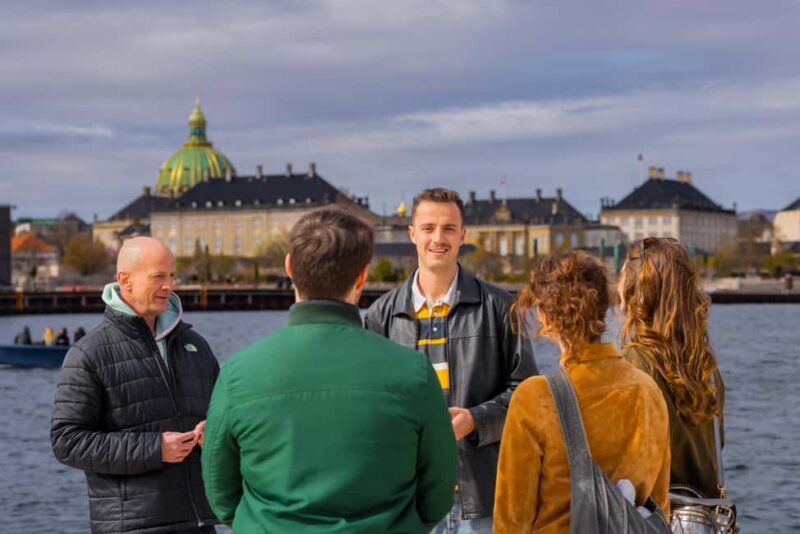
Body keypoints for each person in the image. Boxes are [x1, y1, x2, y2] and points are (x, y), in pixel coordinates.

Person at [202, 208, 457, 532]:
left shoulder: (238, 373)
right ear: (362, 276)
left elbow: (221, 494)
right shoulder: (414, 373)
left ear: (289, 268)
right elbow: (438, 495)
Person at [364, 188, 538, 532]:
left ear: (463, 235)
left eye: (448, 228)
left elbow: (528, 395)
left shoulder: (500, 308)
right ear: (412, 234)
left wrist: (475, 420)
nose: (438, 239)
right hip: (409, 500)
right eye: (428, 228)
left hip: (483, 498)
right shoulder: (380, 316)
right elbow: (369, 405)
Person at [50, 237, 220, 533]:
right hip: (133, 526)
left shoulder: (196, 345)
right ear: (125, 280)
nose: (169, 285)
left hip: (199, 522)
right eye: (158, 276)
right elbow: (68, 441)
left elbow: (225, 412)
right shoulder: (88, 353)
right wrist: (155, 449)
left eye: (171, 276)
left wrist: (216, 429)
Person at [494, 251, 670, 532]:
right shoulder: (648, 391)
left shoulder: (535, 398)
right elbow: (657, 506)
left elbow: (512, 519)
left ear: (545, 317)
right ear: (603, 307)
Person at [618, 237, 725, 499]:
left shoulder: (633, 362)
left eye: (620, 274)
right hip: (702, 513)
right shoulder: (707, 369)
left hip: (656, 512)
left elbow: (622, 455)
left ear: (636, 288)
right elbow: (716, 447)